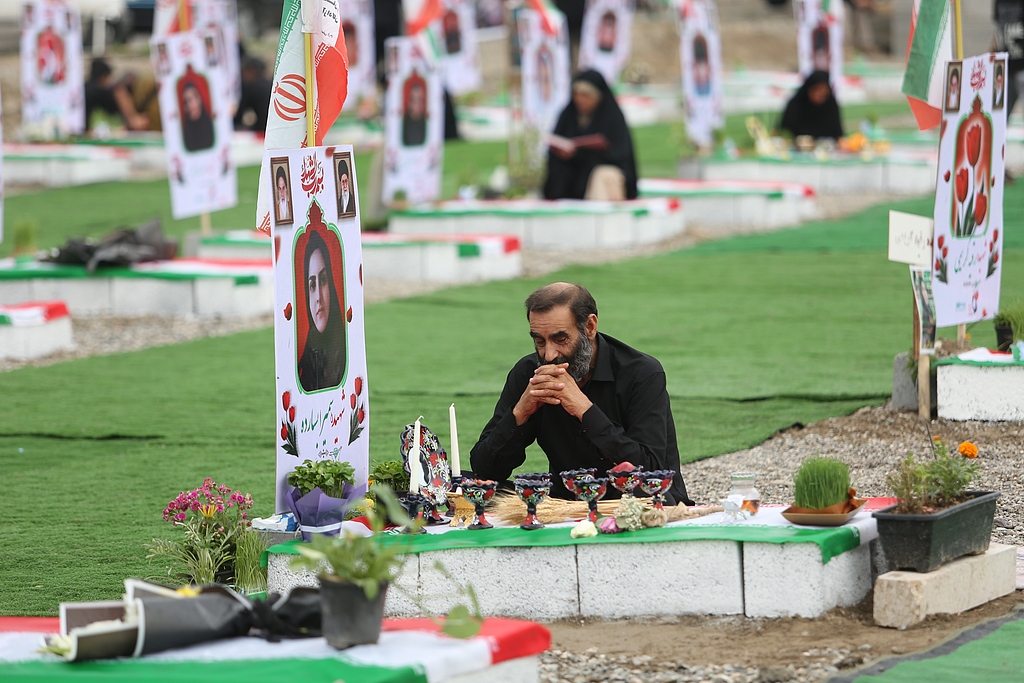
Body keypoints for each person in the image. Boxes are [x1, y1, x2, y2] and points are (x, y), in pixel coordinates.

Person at [470, 283, 694, 506]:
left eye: (560, 339)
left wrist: (585, 411)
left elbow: (650, 471)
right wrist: (520, 413)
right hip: (564, 502)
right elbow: (485, 471)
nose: (549, 355)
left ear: (589, 327)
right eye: (539, 341)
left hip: (636, 501)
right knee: (470, 487)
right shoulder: (527, 374)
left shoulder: (642, 373)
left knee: (645, 496)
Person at [543, 70, 638, 201]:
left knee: (605, 175)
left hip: (600, 168)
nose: (580, 99)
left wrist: (589, 152)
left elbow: (620, 153)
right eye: (576, 94)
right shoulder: (568, 115)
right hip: (572, 173)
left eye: (586, 95)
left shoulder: (612, 117)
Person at [297, 231, 346, 392]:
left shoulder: (346, 352)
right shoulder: (304, 365)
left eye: (323, 280)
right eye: (312, 285)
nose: (318, 297)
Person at [84, 58, 149, 132]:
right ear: (103, 77)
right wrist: (134, 120)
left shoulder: (85, 88)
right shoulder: (98, 91)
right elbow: (119, 92)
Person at [779, 70, 843, 141]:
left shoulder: (830, 105)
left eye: (824, 93)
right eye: (817, 90)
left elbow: (838, 133)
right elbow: (785, 131)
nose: (820, 95)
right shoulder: (796, 104)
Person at [234, 56, 272, 132]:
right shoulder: (271, 85)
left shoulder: (250, 87)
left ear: (250, 71)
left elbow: (237, 116)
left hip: (263, 130)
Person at [180, 80, 214, 152]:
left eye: (196, 97)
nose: (194, 103)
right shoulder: (182, 137)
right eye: (188, 100)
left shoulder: (213, 126)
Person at [402, 72, 428, 147]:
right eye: (413, 100)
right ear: (408, 102)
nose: (417, 105)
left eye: (419, 100)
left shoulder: (427, 123)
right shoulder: (403, 123)